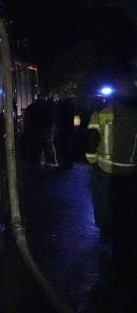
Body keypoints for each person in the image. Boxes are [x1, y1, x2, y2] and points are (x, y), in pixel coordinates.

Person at [85, 79, 137, 258]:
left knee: (103, 201)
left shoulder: (102, 113)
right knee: (127, 205)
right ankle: (125, 240)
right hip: (131, 170)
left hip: (106, 169)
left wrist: (93, 162)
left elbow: (91, 140)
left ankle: (106, 234)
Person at [55, 91, 77, 169]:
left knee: (67, 145)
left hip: (67, 127)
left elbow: (72, 115)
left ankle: (68, 162)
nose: (60, 96)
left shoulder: (68, 103)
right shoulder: (62, 103)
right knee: (63, 145)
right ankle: (65, 162)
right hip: (63, 127)